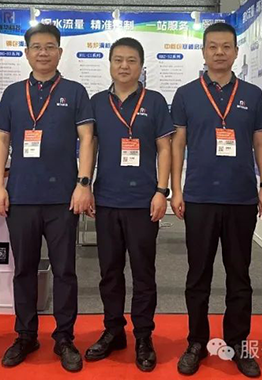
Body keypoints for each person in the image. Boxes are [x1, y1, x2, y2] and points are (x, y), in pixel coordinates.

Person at [170, 22, 262, 378]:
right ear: (203, 51)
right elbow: (177, 144)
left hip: (241, 198)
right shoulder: (186, 94)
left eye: (226, 46)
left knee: (239, 275)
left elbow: (260, 142)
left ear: (236, 52)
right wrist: (176, 189)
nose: (219, 52)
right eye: (212, 46)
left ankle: (238, 342)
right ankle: (196, 342)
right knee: (197, 275)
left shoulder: (252, 94)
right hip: (199, 197)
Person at [0, 23, 95, 373]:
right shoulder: (13, 94)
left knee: (65, 270)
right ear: (27, 52)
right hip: (21, 195)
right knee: (24, 269)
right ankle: (25, 335)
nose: (43, 53)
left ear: (60, 52)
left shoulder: (75, 92)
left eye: (50, 46)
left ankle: (64, 337)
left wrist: (83, 183)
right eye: (36, 46)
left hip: (62, 197)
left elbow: (87, 139)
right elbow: (1, 140)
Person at [85, 37, 174, 372]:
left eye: (131, 60)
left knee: (143, 272)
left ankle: (143, 335)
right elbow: (90, 146)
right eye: (118, 60)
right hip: (107, 199)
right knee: (109, 271)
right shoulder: (96, 102)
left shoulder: (155, 101)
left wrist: (161, 191)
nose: (124, 66)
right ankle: (113, 330)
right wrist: (86, 186)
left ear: (141, 65)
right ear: (110, 64)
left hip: (142, 202)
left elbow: (164, 148)